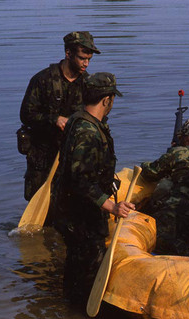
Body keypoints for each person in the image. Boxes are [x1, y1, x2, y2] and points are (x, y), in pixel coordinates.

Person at [50, 72, 135, 307]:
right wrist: (112, 206)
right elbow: (80, 181)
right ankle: (76, 316)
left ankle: (65, 317)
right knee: (86, 274)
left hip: (70, 210)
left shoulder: (78, 119)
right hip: (80, 215)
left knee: (75, 265)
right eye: (112, 99)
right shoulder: (87, 131)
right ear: (107, 100)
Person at [19, 31, 101, 201]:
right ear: (68, 53)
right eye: (81, 58)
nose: (86, 63)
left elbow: (97, 118)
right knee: (38, 201)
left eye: (89, 59)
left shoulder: (88, 84)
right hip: (42, 155)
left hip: (72, 156)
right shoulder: (43, 80)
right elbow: (26, 114)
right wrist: (54, 119)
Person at [140, 119, 189, 258]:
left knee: (156, 239)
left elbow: (151, 172)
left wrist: (144, 164)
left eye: (183, 136)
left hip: (177, 208)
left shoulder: (178, 152)